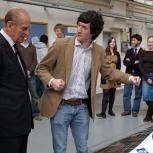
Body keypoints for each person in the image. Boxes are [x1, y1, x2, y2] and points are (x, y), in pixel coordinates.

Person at [36, 10, 140, 153]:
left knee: (83, 148)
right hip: (61, 106)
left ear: (94, 32)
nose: (78, 29)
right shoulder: (61, 45)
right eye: (78, 25)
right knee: (60, 149)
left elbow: (109, 72)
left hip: (82, 108)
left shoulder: (98, 51)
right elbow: (41, 68)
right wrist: (52, 81)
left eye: (84, 27)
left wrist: (129, 78)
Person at [0, 8, 33, 153]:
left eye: (28, 29)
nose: (27, 33)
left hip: (19, 124)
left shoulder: (13, 46)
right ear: (9, 25)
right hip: (6, 127)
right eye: (24, 29)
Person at [96, 37, 121, 118]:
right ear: (108, 43)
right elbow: (101, 65)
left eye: (114, 42)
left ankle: (110, 110)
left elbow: (119, 66)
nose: (113, 43)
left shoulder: (117, 53)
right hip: (106, 76)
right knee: (105, 94)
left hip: (114, 76)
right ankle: (103, 112)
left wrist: (117, 75)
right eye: (111, 42)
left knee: (112, 94)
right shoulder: (104, 52)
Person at [121, 34, 143, 117]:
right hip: (129, 75)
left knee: (138, 94)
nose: (132, 42)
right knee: (126, 93)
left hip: (138, 75)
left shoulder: (142, 52)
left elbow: (141, 64)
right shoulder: (129, 51)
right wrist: (134, 62)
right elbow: (125, 62)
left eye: (134, 40)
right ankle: (127, 110)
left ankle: (135, 111)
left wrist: (130, 61)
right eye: (132, 40)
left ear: (139, 41)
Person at [18, 36, 39, 119]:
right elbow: (17, 60)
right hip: (20, 75)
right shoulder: (17, 46)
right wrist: (23, 71)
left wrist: (29, 71)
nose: (24, 37)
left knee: (34, 95)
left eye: (26, 35)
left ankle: (35, 113)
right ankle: (23, 114)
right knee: (21, 95)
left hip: (31, 75)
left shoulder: (32, 47)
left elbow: (35, 61)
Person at [139, 36, 153, 122]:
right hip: (145, 76)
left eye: (152, 42)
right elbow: (140, 65)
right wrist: (146, 77)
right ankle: (149, 115)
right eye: (149, 41)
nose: (150, 43)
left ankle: (148, 116)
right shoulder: (143, 52)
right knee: (146, 97)